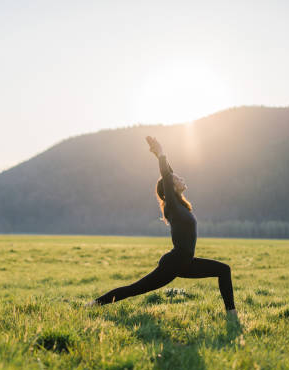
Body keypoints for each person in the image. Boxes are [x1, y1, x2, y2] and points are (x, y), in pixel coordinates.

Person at [87, 136, 237, 319]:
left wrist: (162, 158)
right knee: (135, 289)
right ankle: (93, 305)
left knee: (223, 270)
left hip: (186, 262)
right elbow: (167, 176)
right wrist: (161, 154)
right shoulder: (172, 205)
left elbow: (169, 174)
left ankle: (231, 315)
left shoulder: (180, 205)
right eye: (178, 179)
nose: (181, 179)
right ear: (171, 188)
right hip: (174, 262)